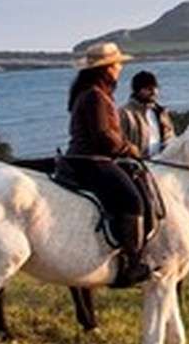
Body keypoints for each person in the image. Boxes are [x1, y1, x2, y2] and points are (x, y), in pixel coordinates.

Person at [65, 42, 152, 288]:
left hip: (85, 157)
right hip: (92, 160)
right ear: (107, 68)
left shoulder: (92, 91)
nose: (120, 67)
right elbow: (104, 136)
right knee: (131, 199)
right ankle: (133, 263)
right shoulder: (95, 95)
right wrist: (128, 149)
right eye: (117, 63)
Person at [120, 71, 176, 157]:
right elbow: (120, 142)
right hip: (136, 165)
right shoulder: (125, 113)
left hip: (162, 163)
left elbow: (170, 137)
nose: (153, 92)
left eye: (155, 88)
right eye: (148, 88)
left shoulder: (161, 112)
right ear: (137, 90)